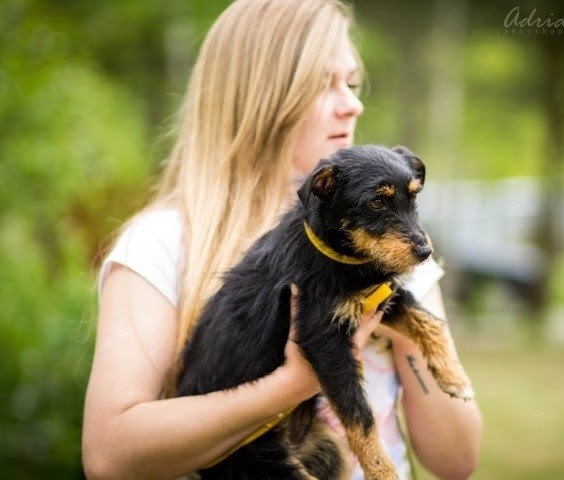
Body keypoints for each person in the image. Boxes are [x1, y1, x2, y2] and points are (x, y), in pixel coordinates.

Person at [81, 0, 483, 479]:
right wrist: (292, 383)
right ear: (254, 96)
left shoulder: (384, 233)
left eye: (352, 83)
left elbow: (456, 462)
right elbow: (109, 457)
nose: (352, 103)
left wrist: (408, 326)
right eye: (322, 84)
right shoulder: (161, 243)